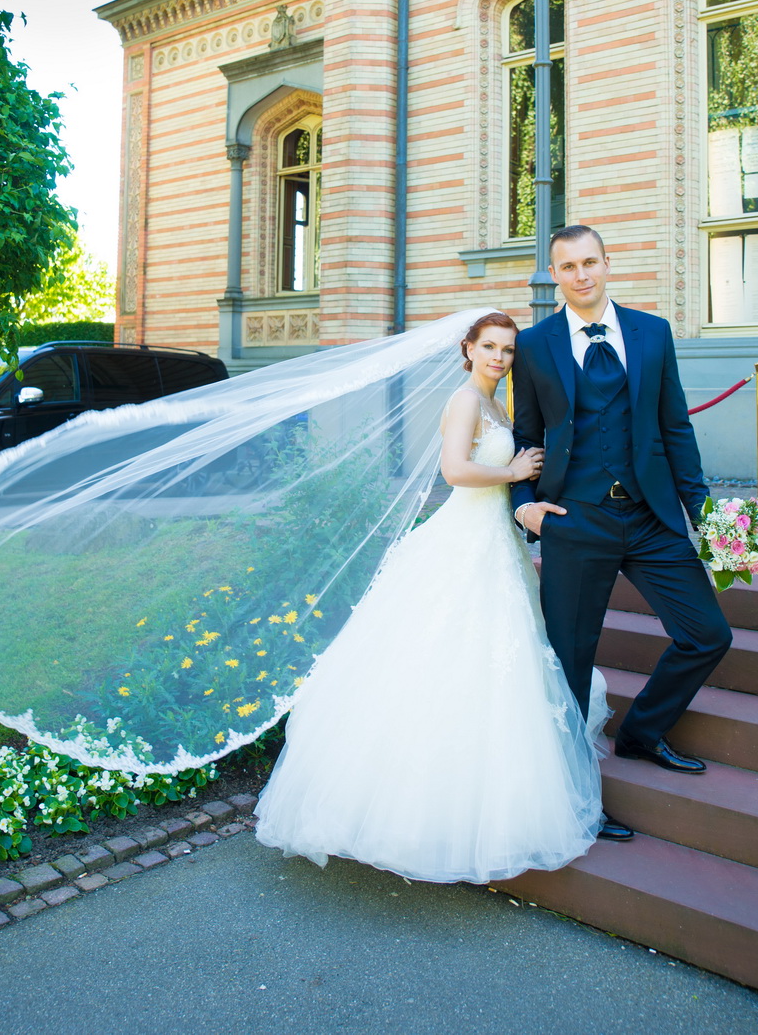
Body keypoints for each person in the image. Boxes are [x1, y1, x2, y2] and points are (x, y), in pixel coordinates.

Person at [254, 311, 609, 884]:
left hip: (497, 542)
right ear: (467, 349)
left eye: (508, 349)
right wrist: (513, 469)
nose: (498, 356)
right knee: (439, 663)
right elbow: (454, 470)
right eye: (488, 346)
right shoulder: (467, 399)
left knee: (501, 665)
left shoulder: (498, 404)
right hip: (463, 539)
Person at [511, 225, 732, 840]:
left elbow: (676, 428)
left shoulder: (652, 332)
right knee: (570, 663)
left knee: (707, 633)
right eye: (567, 267)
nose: (580, 275)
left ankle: (640, 733)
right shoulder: (534, 345)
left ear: (608, 263)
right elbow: (526, 435)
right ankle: (575, 795)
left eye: (589, 262)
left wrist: (706, 519)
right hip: (574, 521)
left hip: (649, 515)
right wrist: (522, 502)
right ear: (553, 274)